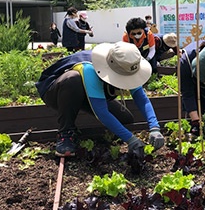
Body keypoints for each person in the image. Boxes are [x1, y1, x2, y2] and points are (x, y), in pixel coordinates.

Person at [35, 41, 165, 157]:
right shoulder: (91, 68)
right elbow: (101, 112)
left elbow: (142, 99)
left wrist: (155, 128)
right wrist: (130, 139)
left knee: (125, 119)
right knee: (72, 80)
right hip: (55, 91)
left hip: (86, 92)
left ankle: (76, 110)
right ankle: (66, 132)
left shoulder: (127, 65)